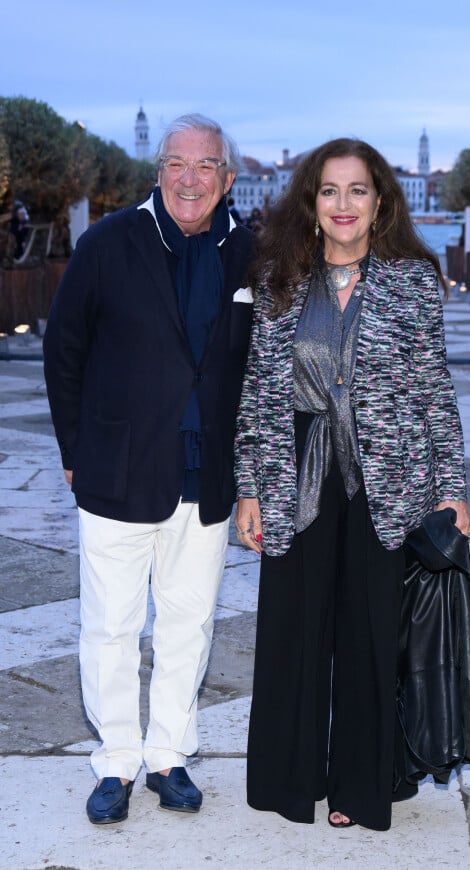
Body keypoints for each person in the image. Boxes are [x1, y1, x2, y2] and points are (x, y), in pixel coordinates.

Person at [234, 138, 470, 832]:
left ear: (380, 203)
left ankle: (359, 788)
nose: (344, 204)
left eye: (358, 190)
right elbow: (257, 391)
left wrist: (451, 488)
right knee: (294, 631)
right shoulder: (280, 277)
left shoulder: (412, 281)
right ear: (311, 203)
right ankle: (290, 778)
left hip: (387, 476)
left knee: (371, 635)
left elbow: (434, 389)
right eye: (329, 191)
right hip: (296, 468)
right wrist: (249, 485)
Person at [43, 113, 255, 825]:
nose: (190, 178)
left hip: (207, 477)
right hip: (117, 469)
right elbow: (63, 351)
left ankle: (169, 756)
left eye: (206, 166)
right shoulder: (107, 244)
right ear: (158, 171)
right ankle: (115, 763)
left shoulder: (249, 251)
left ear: (227, 179)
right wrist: (76, 453)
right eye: (177, 163)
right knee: (110, 626)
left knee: (189, 625)